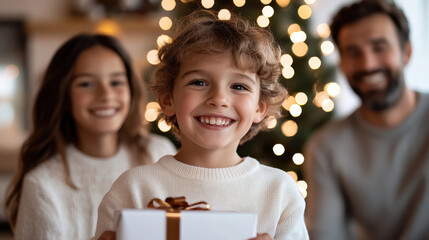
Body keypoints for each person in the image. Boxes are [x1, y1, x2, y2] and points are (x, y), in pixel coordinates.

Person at [92, 10, 308, 240]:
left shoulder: (279, 191)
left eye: (238, 86)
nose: (218, 99)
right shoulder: (134, 188)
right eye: (199, 82)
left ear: (260, 107)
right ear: (168, 100)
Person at [4, 33, 176, 240]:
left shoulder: (159, 151)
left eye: (116, 82)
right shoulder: (42, 185)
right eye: (86, 84)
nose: (105, 94)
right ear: (64, 96)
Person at [303, 0, 429, 239]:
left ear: (407, 52)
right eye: (353, 52)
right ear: (341, 63)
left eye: (379, 47)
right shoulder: (325, 147)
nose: (367, 64)